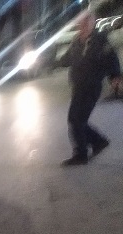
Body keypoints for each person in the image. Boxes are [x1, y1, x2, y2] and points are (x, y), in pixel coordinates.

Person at [57, 10, 122, 166]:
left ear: (93, 23)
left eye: (88, 21)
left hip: (91, 87)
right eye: (82, 22)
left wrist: (115, 78)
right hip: (78, 86)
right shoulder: (76, 40)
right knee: (76, 120)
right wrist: (55, 62)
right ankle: (98, 141)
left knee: (76, 120)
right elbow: (68, 58)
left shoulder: (101, 40)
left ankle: (81, 154)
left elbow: (112, 60)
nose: (84, 25)